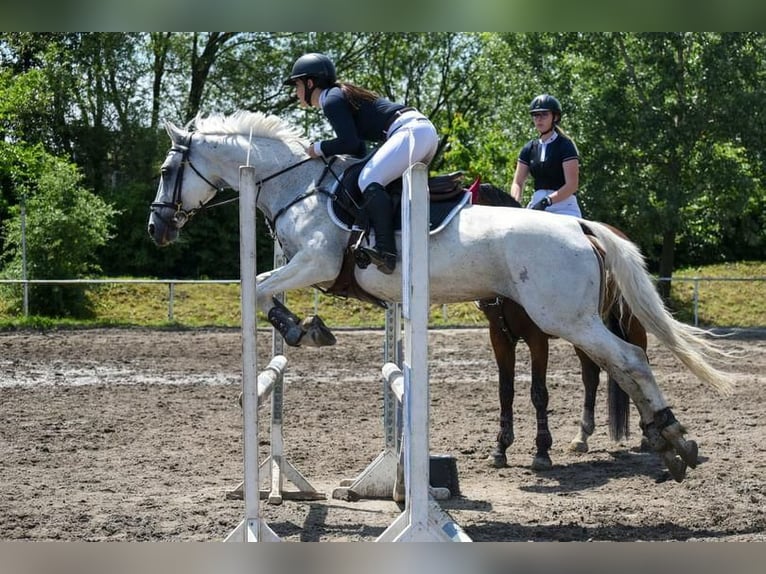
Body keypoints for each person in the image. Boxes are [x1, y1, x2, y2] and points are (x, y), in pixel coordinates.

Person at [283, 52, 439, 274]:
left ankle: (386, 252)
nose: (296, 92)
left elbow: (349, 142)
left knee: (369, 179)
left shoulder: (331, 99)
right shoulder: (336, 96)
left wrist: (317, 148)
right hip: (419, 132)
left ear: (310, 83)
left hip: (410, 132)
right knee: (375, 179)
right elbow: (357, 149)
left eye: (296, 85)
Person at [509, 94, 582, 217]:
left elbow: (572, 185)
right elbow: (518, 182)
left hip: (564, 207)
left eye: (544, 114)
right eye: (536, 115)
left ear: (555, 117)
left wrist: (547, 201)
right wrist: (514, 203)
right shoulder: (529, 148)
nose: (539, 119)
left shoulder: (565, 145)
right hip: (537, 205)